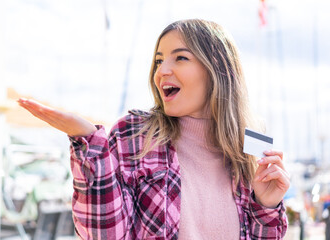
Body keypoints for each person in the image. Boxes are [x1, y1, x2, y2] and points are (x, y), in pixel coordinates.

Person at [18, 19, 289, 240]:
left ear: (217, 68)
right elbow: (103, 235)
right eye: (159, 61)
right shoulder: (134, 135)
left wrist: (265, 206)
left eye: (180, 58)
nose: (162, 72)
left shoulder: (248, 151)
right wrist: (89, 142)